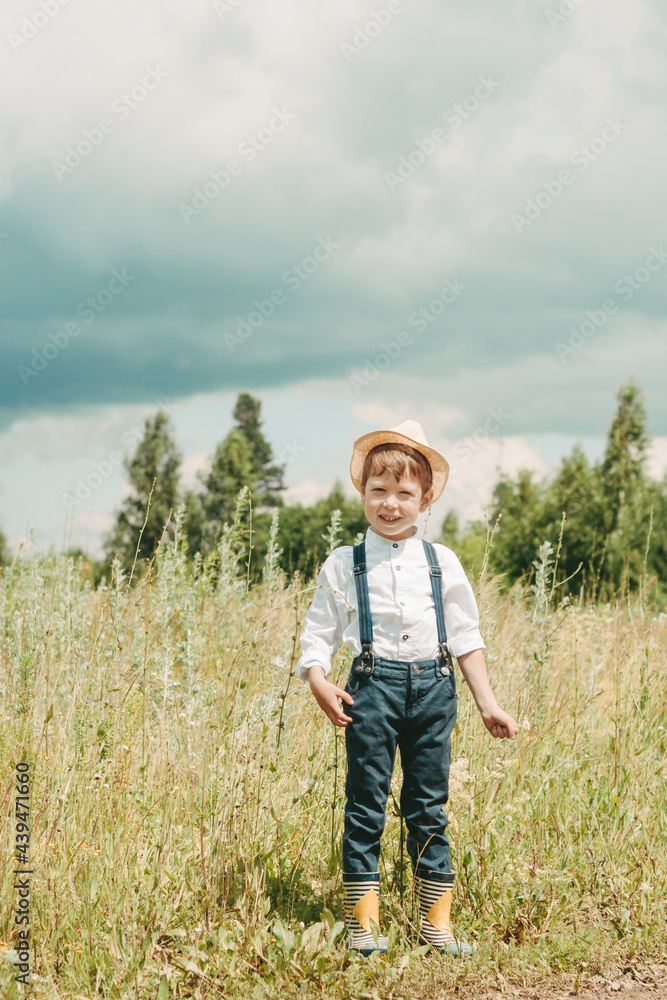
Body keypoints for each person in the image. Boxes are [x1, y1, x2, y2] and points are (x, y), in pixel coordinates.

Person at [296, 420, 518, 956]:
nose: (390, 504)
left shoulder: (442, 562)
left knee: (428, 806)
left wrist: (488, 703)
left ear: (426, 498)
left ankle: (435, 925)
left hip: (435, 691)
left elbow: (466, 636)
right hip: (370, 690)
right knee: (365, 804)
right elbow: (318, 633)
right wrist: (318, 680)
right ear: (363, 492)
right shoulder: (343, 563)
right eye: (379, 491)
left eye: (404, 493)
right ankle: (363, 926)